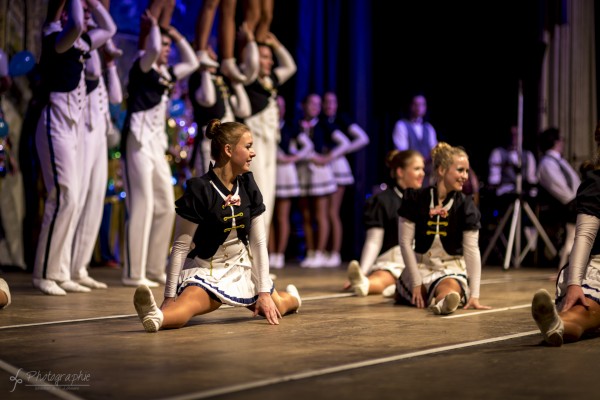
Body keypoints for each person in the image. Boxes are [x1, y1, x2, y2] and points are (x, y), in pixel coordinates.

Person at [133, 119, 301, 332]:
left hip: (244, 270)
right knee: (187, 305)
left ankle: (294, 298)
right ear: (228, 150)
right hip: (208, 271)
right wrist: (169, 296)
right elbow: (180, 247)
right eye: (248, 146)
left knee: (279, 304)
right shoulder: (200, 189)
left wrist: (264, 293)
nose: (253, 152)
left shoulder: (248, 185)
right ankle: (155, 316)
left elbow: (258, 243)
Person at [33, 0, 116, 295]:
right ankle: (44, 272)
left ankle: (60, 270)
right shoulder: (54, 36)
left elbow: (110, 28)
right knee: (64, 195)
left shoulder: (80, 43)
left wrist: (92, 3)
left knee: (73, 198)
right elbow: (78, 24)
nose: (88, 14)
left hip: (72, 129)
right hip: (54, 123)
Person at [120, 11, 198, 287]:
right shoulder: (142, 65)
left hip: (156, 145)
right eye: (163, 45)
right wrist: (154, 28)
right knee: (143, 204)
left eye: (168, 46)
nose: (165, 50)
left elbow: (192, 61)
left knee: (166, 205)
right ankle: (133, 272)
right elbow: (151, 48)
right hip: (138, 141)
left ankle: (153, 267)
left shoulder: (166, 74)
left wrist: (176, 36)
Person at [395, 142, 491, 315]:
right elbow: (405, 242)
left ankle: (443, 304)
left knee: (449, 287)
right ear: (442, 170)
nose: (465, 176)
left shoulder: (465, 205)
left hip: (450, 269)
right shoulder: (415, 198)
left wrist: (474, 295)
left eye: (467, 171)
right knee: (420, 293)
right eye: (460, 170)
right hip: (419, 267)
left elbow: (472, 250)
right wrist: (416, 281)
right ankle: (434, 299)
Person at [531, 121, 600, 346]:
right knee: (584, 311)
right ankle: (556, 324)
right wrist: (574, 284)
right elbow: (585, 236)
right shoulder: (596, 183)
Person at [69, 0, 120, 290]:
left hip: (99, 132)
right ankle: (66, 266)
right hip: (82, 131)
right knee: (78, 196)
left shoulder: (94, 50)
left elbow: (114, 96)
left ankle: (81, 266)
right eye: (87, 12)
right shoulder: (78, 45)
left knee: (95, 198)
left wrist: (111, 63)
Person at [346, 150, 425, 297]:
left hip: (421, 262)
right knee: (384, 277)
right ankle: (365, 283)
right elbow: (373, 241)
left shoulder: (426, 201)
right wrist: (362, 272)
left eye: (422, 169)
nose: (422, 173)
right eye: (416, 169)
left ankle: (399, 290)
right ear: (400, 172)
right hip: (394, 261)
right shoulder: (382, 201)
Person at [243, 32, 296, 233]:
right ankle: (250, 245)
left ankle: (261, 248)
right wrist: (250, 43)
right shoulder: (247, 77)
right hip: (254, 143)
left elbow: (291, 67)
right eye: (264, 56)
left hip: (269, 143)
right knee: (258, 191)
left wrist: (276, 44)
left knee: (268, 194)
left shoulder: (270, 80)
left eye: (269, 57)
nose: (270, 61)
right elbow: (250, 63)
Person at [188, 19, 255, 177]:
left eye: (210, 48)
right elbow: (208, 100)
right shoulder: (197, 79)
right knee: (211, 189)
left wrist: (236, 83)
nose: (211, 52)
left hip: (229, 143)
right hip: (210, 143)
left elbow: (244, 110)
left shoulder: (221, 79)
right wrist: (204, 71)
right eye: (206, 50)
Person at [296, 93, 350, 268]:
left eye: (318, 104)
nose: (315, 107)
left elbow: (344, 143)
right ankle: (311, 252)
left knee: (322, 214)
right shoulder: (297, 124)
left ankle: (323, 252)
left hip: (320, 173)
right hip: (303, 172)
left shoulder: (325, 125)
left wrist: (327, 158)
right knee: (306, 215)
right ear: (303, 105)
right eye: (311, 103)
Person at [321, 91, 370, 268]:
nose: (328, 105)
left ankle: (334, 252)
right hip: (324, 168)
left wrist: (338, 153)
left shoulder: (342, 119)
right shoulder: (322, 121)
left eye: (332, 102)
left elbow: (363, 139)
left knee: (332, 212)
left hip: (337, 167)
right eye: (326, 102)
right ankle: (323, 252)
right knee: (323, 213)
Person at [268, 95, 313, 269]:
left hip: (285, 172)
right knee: (269, 216)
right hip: (270, 171)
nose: (279, 110)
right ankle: (270, 253)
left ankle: (279, 254)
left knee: (282, 216)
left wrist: (293, 157)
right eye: (276, 106)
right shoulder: (267, 126)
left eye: (282, 106)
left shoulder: (290, 127)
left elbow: (308, 146)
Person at [487, 125, 539, 249]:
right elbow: (493, 180)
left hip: (524, 196)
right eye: (512, 135)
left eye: (517, 135)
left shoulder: (528, 155)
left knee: (530, 210)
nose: (514, 138)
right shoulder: (498, 153)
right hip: (505, 195)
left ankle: (530, 248)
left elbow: (532, 180)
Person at [537, 127, 581, 269]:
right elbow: (562, 191)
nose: (563, 143)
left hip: (573, 203)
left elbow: (575, 184)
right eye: (561, 139)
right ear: (556, 142)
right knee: (573, 236)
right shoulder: (547, 163)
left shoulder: (560, 161)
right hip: (563, 207)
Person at [391, 93, 438, 182]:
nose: (419, 107)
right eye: (416, 104)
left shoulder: (429, 128)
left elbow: (434, 149)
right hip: (409, 173)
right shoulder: (401, 125)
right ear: (410, 106)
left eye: (422, 104)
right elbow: (402, 152)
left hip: (427, 174)